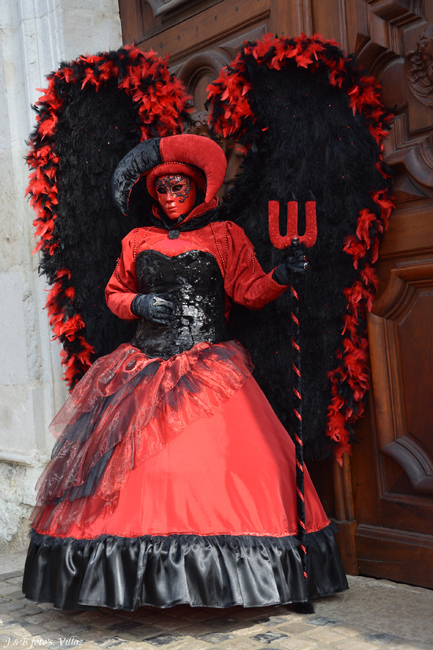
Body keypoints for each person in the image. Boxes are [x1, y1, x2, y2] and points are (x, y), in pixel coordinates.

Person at [22, 134, 348, 611]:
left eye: (180, 188)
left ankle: (281, 574)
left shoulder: (225, 236)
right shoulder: (137, 241)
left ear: (198, 190)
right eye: (163, 191)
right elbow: (114, 292)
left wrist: (282, 273)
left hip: (209, 367)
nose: (171, 198)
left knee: (234, 465)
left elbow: (250, 290)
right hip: (144, 366)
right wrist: (138, 302)